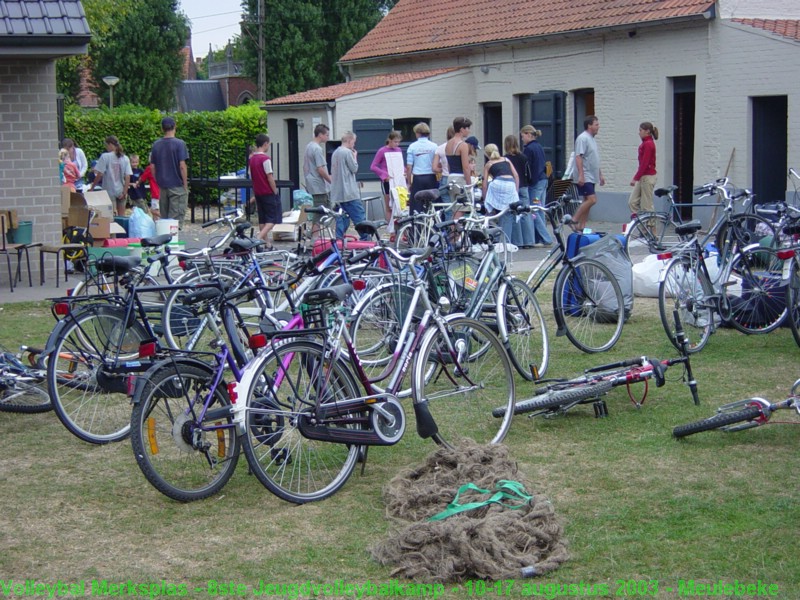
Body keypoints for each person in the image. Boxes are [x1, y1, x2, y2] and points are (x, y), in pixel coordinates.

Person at [150, 116, 189, 229]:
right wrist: (185, 184)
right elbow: (182, 166)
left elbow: (152, 167)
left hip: (163, 186)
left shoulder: (156, 145)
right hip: (177, 185)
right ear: (174, 127)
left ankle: (165, 243)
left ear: (162, 128)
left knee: (164, 220)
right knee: (174, 222)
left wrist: (158, 180)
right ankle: (172, 245)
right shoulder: (179, 144)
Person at [330, 131, 368, 241]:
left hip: (338, 193)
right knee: (360, 218)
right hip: (349, 192)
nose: (354, 145)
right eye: (354, 142)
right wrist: (355, 156)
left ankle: (338, 241)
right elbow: (354, 168)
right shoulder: (347, 153)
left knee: (341, 219)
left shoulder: (335, 153)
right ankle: (366, 240)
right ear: (350, 140)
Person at [520, 126, 553, 246]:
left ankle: (546, 237)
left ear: (528, 134)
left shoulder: (528, 149)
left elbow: (529, 168)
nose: (522, 139)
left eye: (523, 136)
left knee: (534, 209)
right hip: (543, 181)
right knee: (540, 209)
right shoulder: (539, 147)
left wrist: (530, 182)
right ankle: (541, 238)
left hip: (536, 183)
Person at [481, 143, 519, 245]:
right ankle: (506, 240)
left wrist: (485, 199)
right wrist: (516, 191)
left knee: (497, 208)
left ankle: (491, 213)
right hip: (510, 184)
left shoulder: (489, 164)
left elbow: (484, 183)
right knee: (508, 212)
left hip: (497, 184)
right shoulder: (506, 160)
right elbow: (516, 175)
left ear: (486, 154)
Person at [572, 115, 605, 232]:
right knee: (592, 199)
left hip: (592, 175)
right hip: (585, 175)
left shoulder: (592, 139)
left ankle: (582, 226)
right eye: (596, 124)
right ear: (589, 125)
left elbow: (594, 158)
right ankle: (574, 219)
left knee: (587, 200)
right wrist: (581, 175)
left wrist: (600, 174)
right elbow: (578, 157)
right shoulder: (583, 138)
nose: (598, 127)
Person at [248, 134, 281, 249]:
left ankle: (267, 243)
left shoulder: (252, 159)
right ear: (265, 143)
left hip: (258, 192)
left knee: (262, 218)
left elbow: (251, 176)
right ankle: (258, 238)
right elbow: (269, 177)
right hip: (267, 191)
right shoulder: (265, 159)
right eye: (269, 144)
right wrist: (275, 190)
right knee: (273, 219)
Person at [303, 123, 333, 241]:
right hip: (318, 184)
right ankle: (315, 236)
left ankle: (314, 234)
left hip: (311, 182)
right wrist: (330, 180)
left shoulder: (309, 146)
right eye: (326, 135)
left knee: (319, 209)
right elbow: (320, 169)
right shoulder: (317, 149)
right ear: (320, 135)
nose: (328, 137)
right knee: (321, 209)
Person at [90, 135, 132, 217]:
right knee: (121, 216)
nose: (106, 148)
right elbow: (127, 176)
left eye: (106, 145)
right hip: (121, 190)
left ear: (110, 144)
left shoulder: (105, 156)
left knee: (109, 216)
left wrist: (92, 187)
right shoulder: (125, 158)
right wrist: (125, 192)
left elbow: (100, 174)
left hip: (109, 191)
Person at [405, 122, 438, 215]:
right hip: (431, 177)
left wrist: (409, 182)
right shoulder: (434, 146)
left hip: (418, 178)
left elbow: (409, 166)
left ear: (418, 133)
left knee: (416, 204)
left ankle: (417, 226)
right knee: (432, 203)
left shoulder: (412, 146)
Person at [628, 121, 659, 219]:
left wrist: (635, 178)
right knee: (632, 202)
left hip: (648, 176)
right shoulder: (645, 143)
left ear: (647, 131)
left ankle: (650, 230)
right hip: (643, 176)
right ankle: (642, 225)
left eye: (640, 130)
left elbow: (645, 163)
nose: (639, 132)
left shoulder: (648, 144)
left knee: (647, 206)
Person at [370, 130, 403, 220]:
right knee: (389, 206)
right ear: (390, 140)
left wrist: (404, 172)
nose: (397, 144)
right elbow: (373, 166)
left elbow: (400, 164)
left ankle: (401, 229)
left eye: (399, 142)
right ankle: (391, 231)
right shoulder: (382, 151)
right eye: (395, 142)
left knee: (400, 205)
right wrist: (384, 175)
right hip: (387, 182)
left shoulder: (399, 150)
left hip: (398, 180)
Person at [432, 126, 455, 202]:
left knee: (446, 201)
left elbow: (434, 168)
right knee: (457, 203)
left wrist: (443, 169)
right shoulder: (461, 147)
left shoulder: (440, 148)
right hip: (457, 177)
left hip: (445, 177)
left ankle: (449, 214)